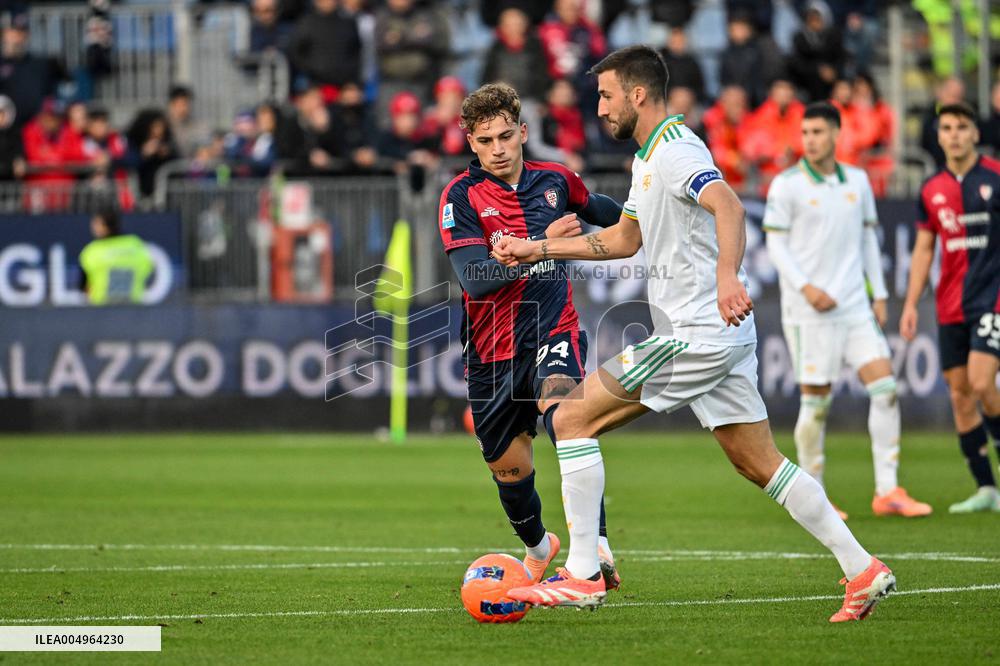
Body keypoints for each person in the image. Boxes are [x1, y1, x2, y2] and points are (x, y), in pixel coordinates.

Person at [494, 45, 894, 622]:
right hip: (720, 339)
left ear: (637, 94)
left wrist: (727, 274)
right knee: (759, 463)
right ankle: (863, 569)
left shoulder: (679, 151)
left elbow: (727, 204)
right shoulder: (649, 159)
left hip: (697, 332)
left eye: (606, 96)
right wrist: (539, 248)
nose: (599, 108)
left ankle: (583, 573)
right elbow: (623, 241)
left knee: (570, 417)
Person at [437, 82, 625, 589]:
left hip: (552, 329)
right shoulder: (460, 196)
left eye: (505, 136)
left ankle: (595, 552)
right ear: (471, 144)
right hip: (491, 351)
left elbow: (616, 217)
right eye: (485, 141)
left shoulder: (557, 181)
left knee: (569, 420)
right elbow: (474, 278)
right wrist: (545, 246)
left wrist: (659, 205)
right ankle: (541, 548)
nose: (498, 149)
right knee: (509, 472)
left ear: (522, 132)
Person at [763, 102, 932, 519]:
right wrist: (807, 287)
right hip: (809, 310)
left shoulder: (856, 180)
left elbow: (869, 242)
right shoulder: (786, 185)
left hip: (855, 305)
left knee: (886, 390)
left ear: (837, 134)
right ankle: (815, 496)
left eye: (819, 132)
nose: (811, 141)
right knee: (816, 404)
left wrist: (877, 295)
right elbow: (777, 247)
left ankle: (888, 490)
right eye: (806, 133)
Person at [900, 102, 1000, 514]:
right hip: (950, 303)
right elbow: (924, 248)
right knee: (960, 393)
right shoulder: (931, 188)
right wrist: (910, 303)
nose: (954, 134)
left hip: (992, 297)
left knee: (980, 383)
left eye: (962, 127)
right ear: (938, 136)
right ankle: (986, 488)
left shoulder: (995, 178)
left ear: (976, 134)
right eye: (947, 128)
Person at [79, 207, 154, 305]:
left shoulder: (93, 251)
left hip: (101, 310)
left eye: (96, 223)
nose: (93, 227)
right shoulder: (135, 244)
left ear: (106, 226)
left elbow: (84, 286)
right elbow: (148, 271)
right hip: (133, 309)